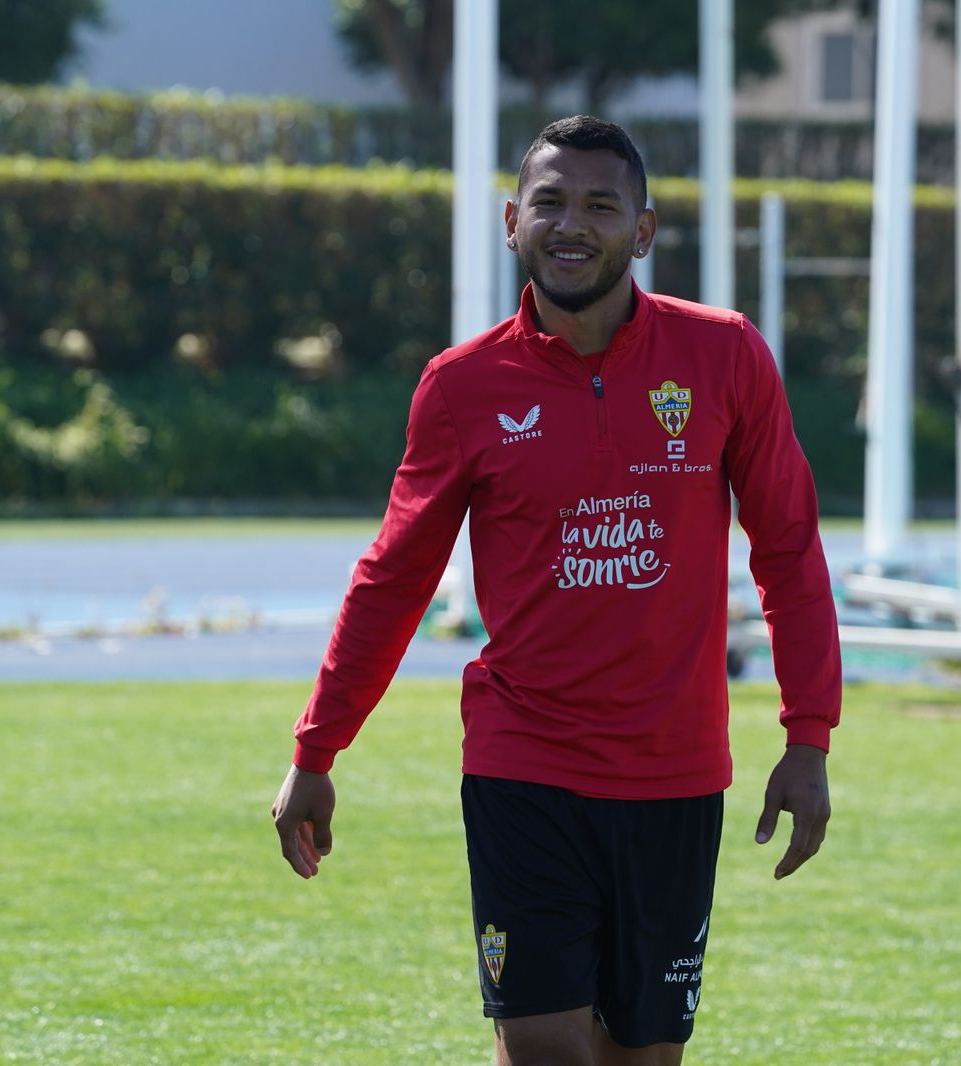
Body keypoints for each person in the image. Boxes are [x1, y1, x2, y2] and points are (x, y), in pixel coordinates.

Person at [272, 115, 842, 1066]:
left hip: (676, 771)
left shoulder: (724, 357)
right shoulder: (463, 386)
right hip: (523, 765)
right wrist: (318, 745)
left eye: (599, 205)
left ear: (645, 231)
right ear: (512, 221)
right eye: (549, 202)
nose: (571, 224)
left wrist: (808, 736)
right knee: (543, 1047)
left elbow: (787, 547)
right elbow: (395, 578)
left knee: (641, 1057)